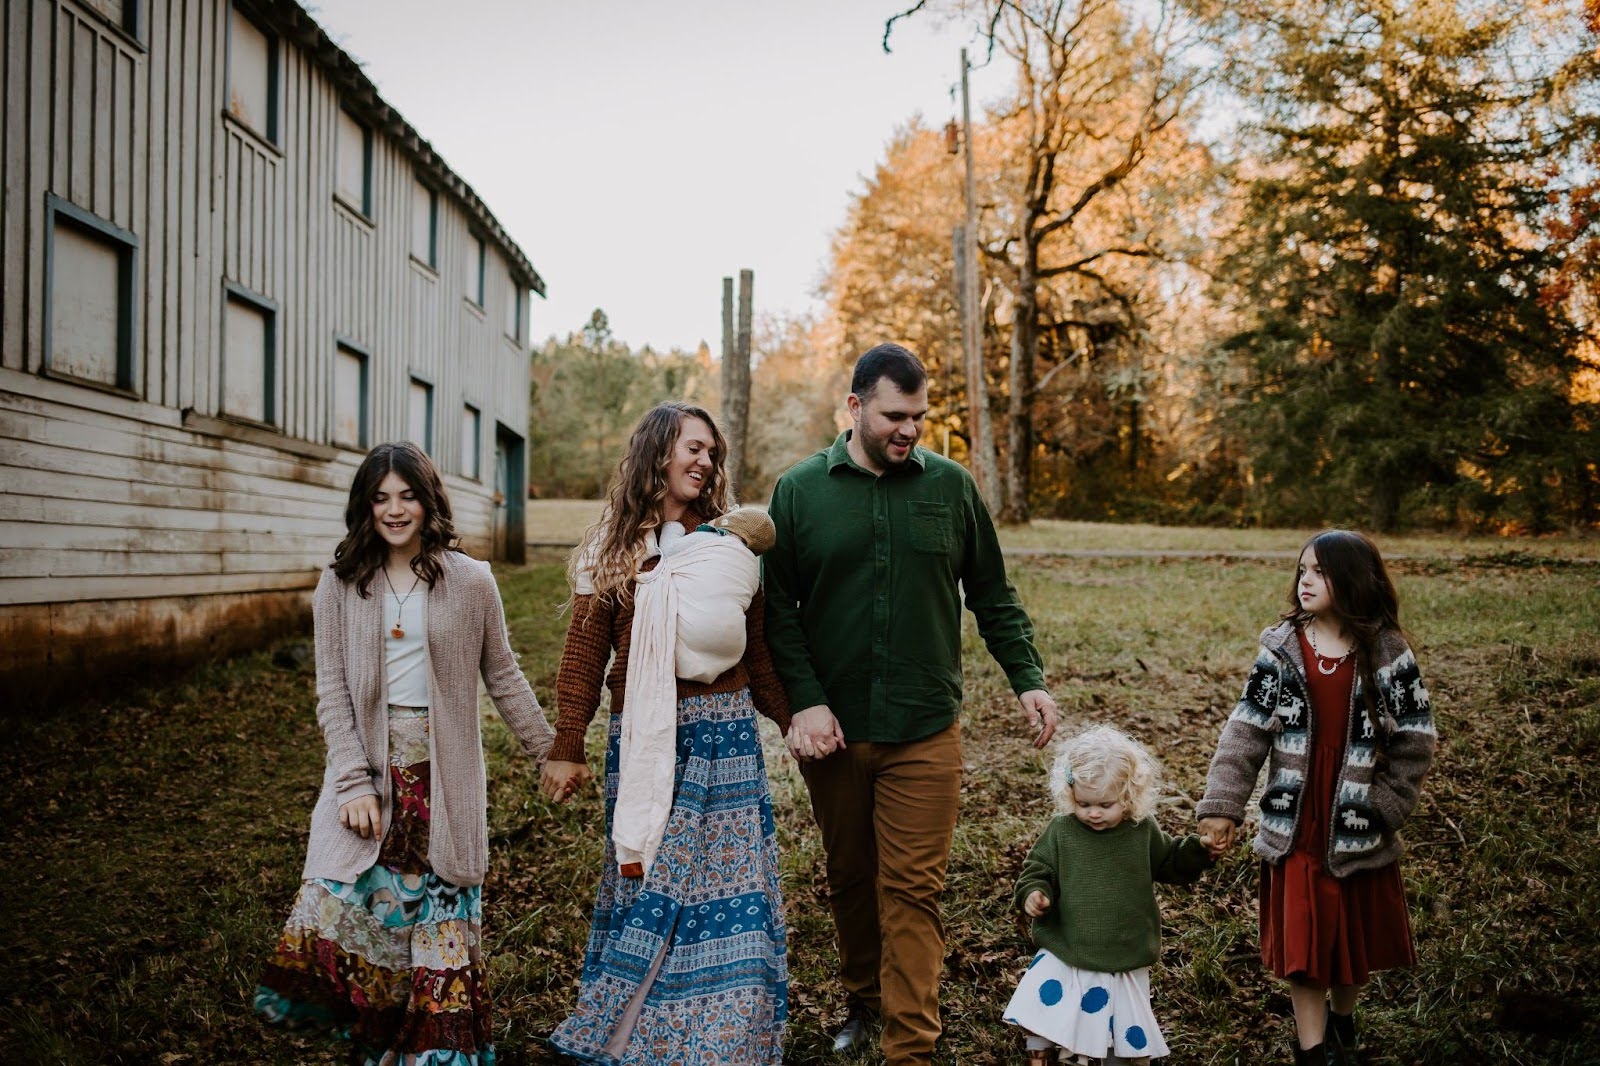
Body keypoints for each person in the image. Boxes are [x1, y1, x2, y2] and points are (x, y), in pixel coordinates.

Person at [764, 342, 1061, 1064]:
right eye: (895, 416)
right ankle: (864, 1000)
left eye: (920, 417)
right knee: (852, 878)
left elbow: (991, 593)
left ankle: (911, 1046)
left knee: (913, 890)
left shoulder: (951, 488)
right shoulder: (799, 491)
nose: (910, 430)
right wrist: (804, 703)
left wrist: (1028, 677)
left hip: (926, 728)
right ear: (855, 406)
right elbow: (777, 611)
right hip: (834, 732)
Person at [255, 441, 556, 1065]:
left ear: (428, 501)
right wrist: (353, 782)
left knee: (440, 913)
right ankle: (379, 1039)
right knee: (355, 902)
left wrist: (549, 751)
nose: (395, 510)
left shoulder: (470, 582)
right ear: (365, 508)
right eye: (381, 497)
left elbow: (502, 674)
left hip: (445, 779)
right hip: (374, 773)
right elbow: (332, 691)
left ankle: (433, 1053)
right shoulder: (340, 585)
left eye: (407, 496)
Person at [544, 402, 791, 1064]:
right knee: (652, 877)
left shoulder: (729, 549)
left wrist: (797, 721)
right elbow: (583, 656)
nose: (705, 460)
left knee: (729, 891)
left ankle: (724, 1035)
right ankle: (640, 1033)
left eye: (712, 451)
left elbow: (758, 656)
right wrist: (568, 746)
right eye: (692, 447)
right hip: (651, 742)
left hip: (728, 741)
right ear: (657, 454)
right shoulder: (614, 552)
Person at [1197, 530, 1436, 1066]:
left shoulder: (1387, 651)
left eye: (1320, 572)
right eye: (1302, 570)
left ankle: (1343, 1023)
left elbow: (1415, 738)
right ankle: (1311, 1052)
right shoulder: (1282, 648)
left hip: (1357, 817)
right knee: (1305, 946)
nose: (1306, 581)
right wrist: (1222, 804)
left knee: (1349, 942)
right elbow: (1246, 730)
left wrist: (1388, 803)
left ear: (1351, 579)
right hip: (1296, 820)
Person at [1004, 724, 1212, 1066]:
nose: (1094, 813)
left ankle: (1114, 1053)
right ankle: (1048, 1046)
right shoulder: (1062, 830)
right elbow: (1036, 869)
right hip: (1070, 943)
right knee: (1054, 1003)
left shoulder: (1140, 831)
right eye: (1084, 803)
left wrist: (1198, 851)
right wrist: (1034, 893)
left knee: (1118, 1017)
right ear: (1070, 794)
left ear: (1129, 796)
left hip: (1123, 947)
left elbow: (1170, 863)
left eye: (1105, 804)